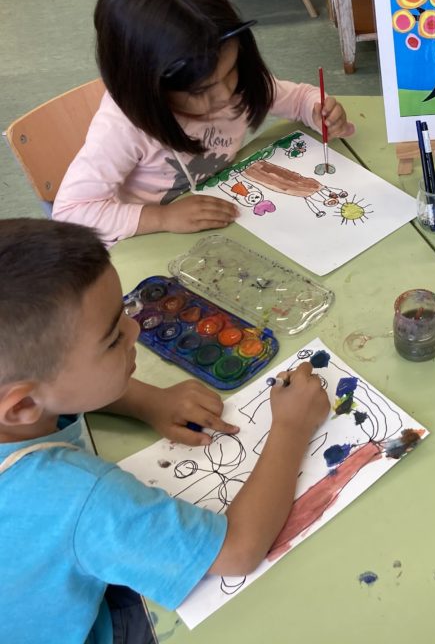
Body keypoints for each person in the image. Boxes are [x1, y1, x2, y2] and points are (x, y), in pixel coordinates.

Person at [0, 219, 330, 644]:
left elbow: (59, 390)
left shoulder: (20, 402)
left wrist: (146, 400)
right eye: (112, 339)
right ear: (23, 406)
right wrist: (291, 427)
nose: (135, 329)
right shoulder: (79, 497)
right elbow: (238, 551)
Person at [53, 0, 355, 246]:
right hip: (146, 244)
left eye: (230, 71)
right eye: (200, 90)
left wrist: (317, 109)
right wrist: (162, 218)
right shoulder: (123, 127)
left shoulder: (236, 83)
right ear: (150, 87)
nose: (225, 94)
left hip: (221, 221)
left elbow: (298, 99)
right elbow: (71, 213)